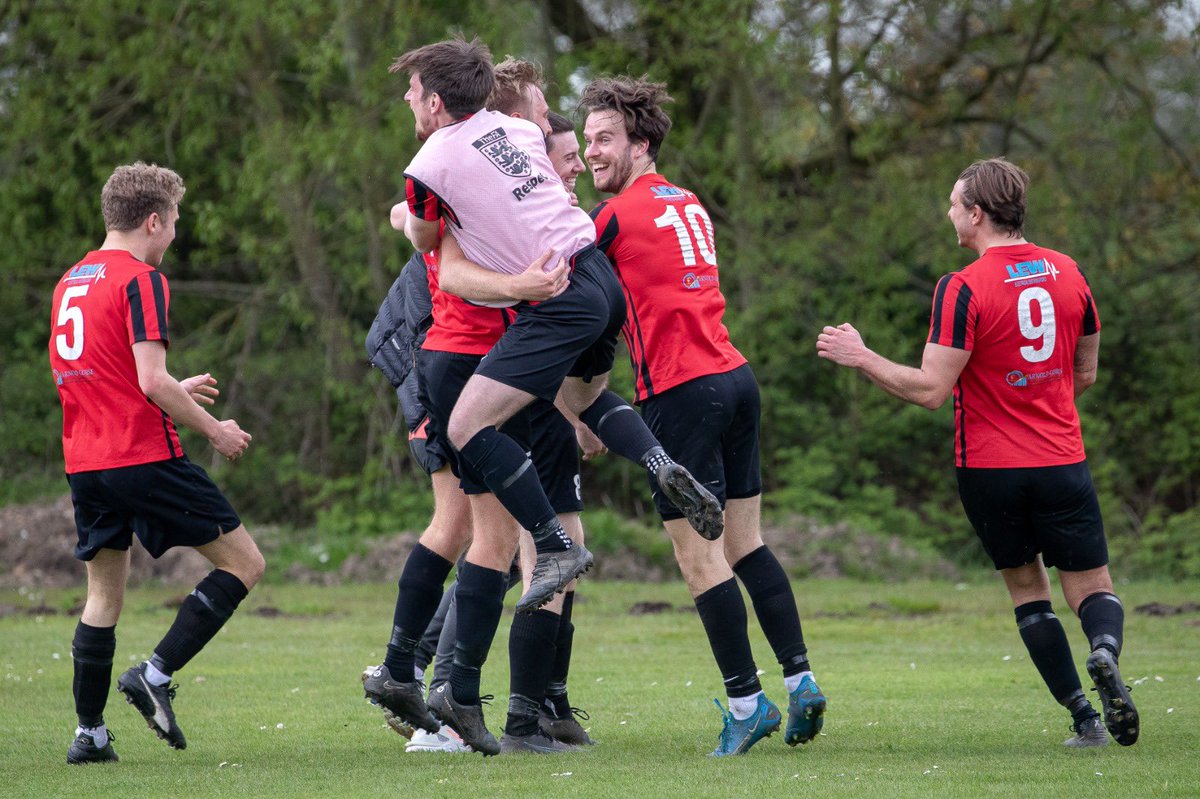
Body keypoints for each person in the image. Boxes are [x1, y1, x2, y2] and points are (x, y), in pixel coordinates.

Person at [389, 38, 721, 754]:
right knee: (576, 400)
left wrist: (423, 227)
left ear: (437, 102)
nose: (408, 102)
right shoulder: (513, 135)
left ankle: (434, 672)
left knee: (475, 448)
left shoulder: (434, 163)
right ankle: (649, 458)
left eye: (413, 93)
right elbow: (518, 176)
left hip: (527, 313)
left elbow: (428, 240)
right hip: (596, 281)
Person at [815, 157, 1137, 748]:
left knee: (1028, 591)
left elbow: (931, 390)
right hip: (1061, 460)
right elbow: (1084, 371)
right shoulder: (1070, 273)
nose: (947, 212)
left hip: (989, 469)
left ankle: (1085, 720)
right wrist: (1041, 399)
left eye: (953, 202)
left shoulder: (962, 287)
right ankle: (1106, 651)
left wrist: (860, 355)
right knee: (1091, 585)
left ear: (976, 213)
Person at [568, 76, 825, 756]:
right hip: (735, 379)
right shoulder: (688, 202)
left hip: (681, 391)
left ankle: (748, 704)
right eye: (588, 139)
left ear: (641, 143)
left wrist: (581, 403)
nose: (593, 152)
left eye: (605, 139)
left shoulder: (615, 215)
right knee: (748, 544)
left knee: (698, 560)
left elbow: (582, 305)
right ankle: (801, 682)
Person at [49, 162, 266, 764]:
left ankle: (89, 734)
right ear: (153, 219)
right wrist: (216, 430)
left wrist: (173, 385)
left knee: (103, 596)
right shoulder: (141, 278)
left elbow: (103, 374)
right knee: (246, 563)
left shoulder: (72, 280)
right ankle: (156, 674)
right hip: (141, 453)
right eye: (173, 222)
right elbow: (149, 380)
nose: (174, 234)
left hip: (86, 462)